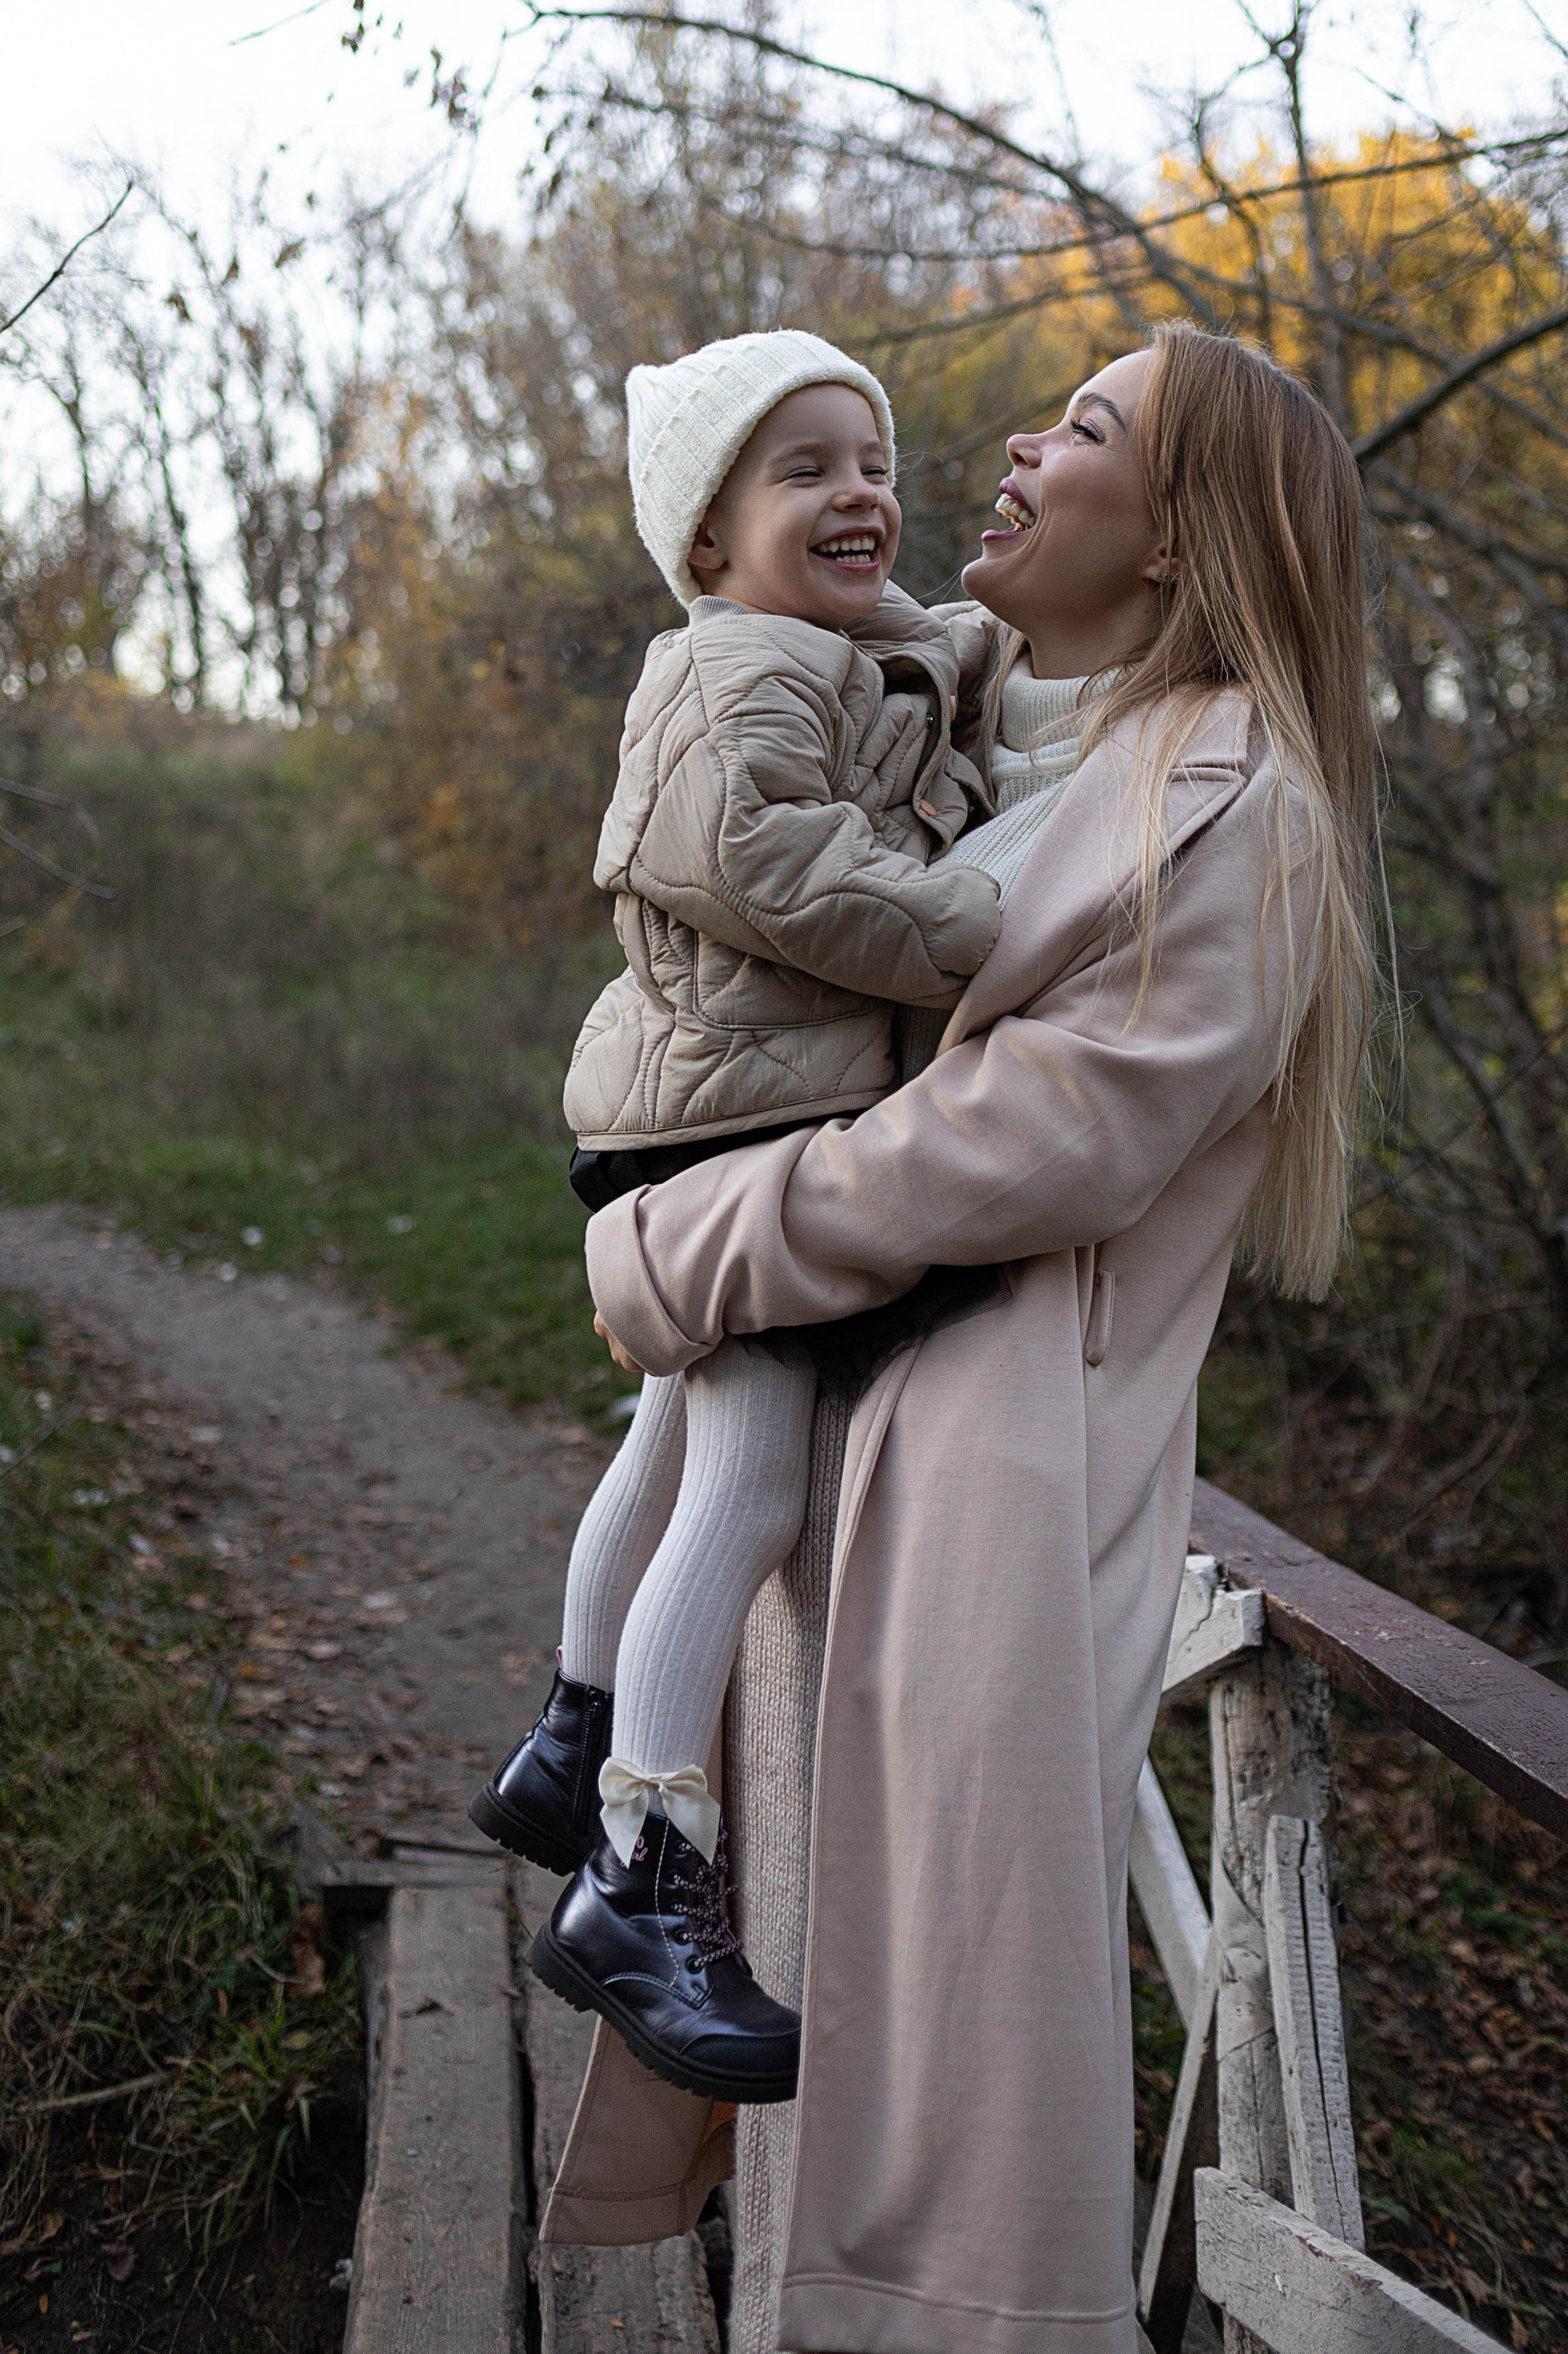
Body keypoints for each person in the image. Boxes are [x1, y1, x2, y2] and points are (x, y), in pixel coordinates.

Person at [546, 322, 1377, 2354]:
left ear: (1181, 532)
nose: (1018, 443)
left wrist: (669, 1250)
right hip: (848, 1438)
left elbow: (1022, 1147)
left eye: (1086, 427)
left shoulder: (1236, 811)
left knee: (933, 2104)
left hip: (989, 1490)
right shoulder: (1002, 722)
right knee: (811, 2021)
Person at [469, 327, 1006, 2104]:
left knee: (669, 1430)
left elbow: (948, 673)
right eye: (805, 472)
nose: (861, 495)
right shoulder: (726, 673)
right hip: (727, 1127)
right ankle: (639, 1872)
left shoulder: (825, 646)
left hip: (711, 1113)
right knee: (750, 1477)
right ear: (704, 539)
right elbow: (760, 858)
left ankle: (570, 1733)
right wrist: (971, 929)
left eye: (874, 461)